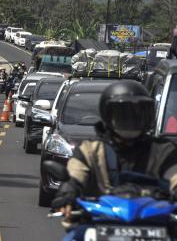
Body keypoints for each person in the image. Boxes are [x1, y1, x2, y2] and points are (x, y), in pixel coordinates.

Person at [54, 80, 177, 220]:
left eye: (137, 115)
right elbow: (75, 176)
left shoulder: (163, 151)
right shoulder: (90, 151)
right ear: (107, 115)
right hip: (99, 222)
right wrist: (68, 193)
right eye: (123, 115)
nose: (130, 122)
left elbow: (175, 175)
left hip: (155, 224)